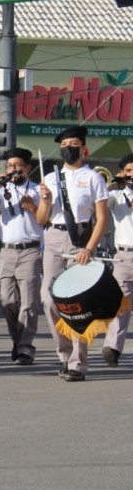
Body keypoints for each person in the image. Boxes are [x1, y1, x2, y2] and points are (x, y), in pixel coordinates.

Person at [37, 125, 108, 382]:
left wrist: (90, 247)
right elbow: (41, 219)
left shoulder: (93, 178)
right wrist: (44, 202)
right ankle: (64, 353)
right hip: (53, 238)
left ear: (84, 149)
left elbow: (101, 218)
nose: (69, 149)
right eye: (65, 145)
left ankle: (78, 362)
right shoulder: (51, 178)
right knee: (48, 298)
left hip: (80, 237)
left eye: (74, 144)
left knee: (76, 302)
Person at [0, 147, 42, 366]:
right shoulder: (1, 191)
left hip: (30, 249)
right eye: (10, 166)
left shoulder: (38, 190)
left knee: (28, 303)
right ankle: (17, 340)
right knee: (5, 300)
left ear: (27, 168)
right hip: (7, 251)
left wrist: (31, 206)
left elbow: (44, 219)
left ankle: (25, 348)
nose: (13, 169)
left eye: (18, 165)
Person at [101, 154, 133, 367]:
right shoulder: (117, 196)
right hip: (124, 255)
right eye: (129, 171)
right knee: (120, 302)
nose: (132, 175)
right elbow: (101, 201)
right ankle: (112, 347)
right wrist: (116, 180)